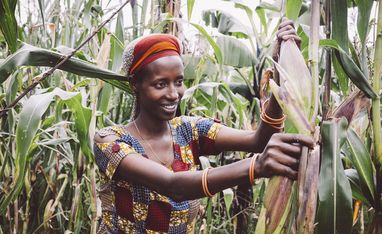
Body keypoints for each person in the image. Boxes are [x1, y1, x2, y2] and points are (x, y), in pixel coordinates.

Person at [93, 18, 314, 234]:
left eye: (178, 82)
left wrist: (280, 71)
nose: (173, 94)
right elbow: (173, 185)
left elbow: (259, 140)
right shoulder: (110, 142)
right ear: (135, 85)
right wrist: (255, 167)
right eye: (160, 84)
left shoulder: (190, 130)